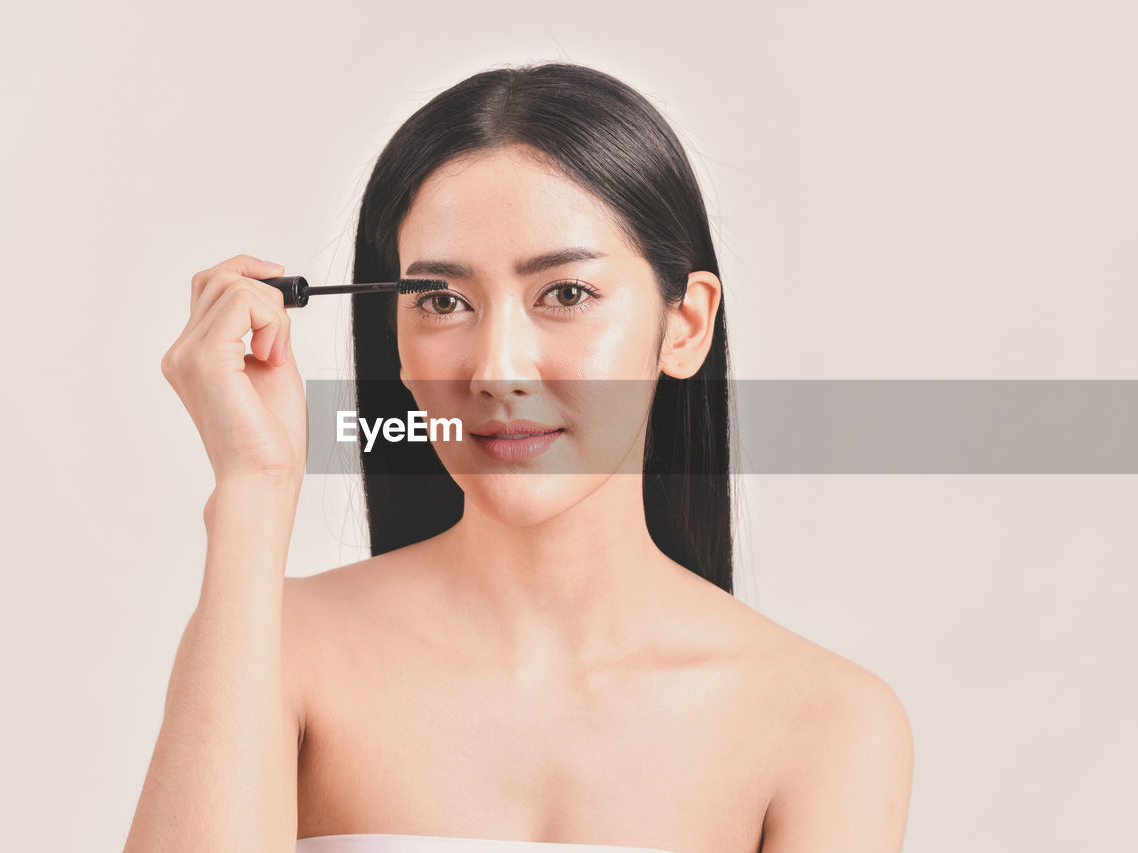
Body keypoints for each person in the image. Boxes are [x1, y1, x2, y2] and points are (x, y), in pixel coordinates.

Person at [124, 62, 914, 853]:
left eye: (565, 294)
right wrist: (252, 493)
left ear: (685, 325)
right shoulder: (274, 645)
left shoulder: (826, 723)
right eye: (441, 301)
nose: (496, 369)